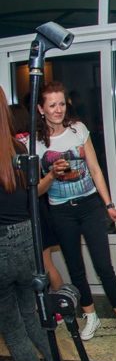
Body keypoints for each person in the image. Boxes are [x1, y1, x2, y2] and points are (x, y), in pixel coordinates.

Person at [35, 81, 116, 343]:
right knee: (76, 268)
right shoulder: (35, 143)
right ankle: (90, 316)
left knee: (104, 266)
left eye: (61, 103)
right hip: (60, 212)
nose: (58, 109)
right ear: (41, 109)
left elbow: (95, 169)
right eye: (52, 105)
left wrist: (109, 205)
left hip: (90, 206)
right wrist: (52, 174)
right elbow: (36, 190)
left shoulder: (78, 129)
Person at [0, 87, 55, 361]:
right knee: (32, 316)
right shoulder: (19, 149)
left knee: (12, 327)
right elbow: (29, 197)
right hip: (26, 239)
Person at [10, 104, 64, 292]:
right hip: (41, 207)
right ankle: (63, 303)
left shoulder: (16, 147)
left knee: (41, 265)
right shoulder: (34, 142)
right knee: (47, 263)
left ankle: (56, 303)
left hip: (30, 211)